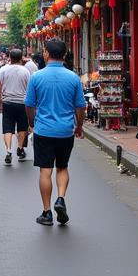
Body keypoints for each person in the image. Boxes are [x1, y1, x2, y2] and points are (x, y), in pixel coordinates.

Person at [25, 37, 85, 227]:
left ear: (46, 54)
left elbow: (29, 105)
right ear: (65, 55)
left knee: (45, 171)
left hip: (43, 129)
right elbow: (80, 107)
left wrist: (31, 123)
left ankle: (47, 212)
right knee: (62, 167)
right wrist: (79, 126)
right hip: (65, 131)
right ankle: (61, 198)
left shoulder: (36, 77)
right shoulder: (73, 78)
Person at [0, 48, 31, 164]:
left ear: (9, 57)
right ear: (21, 58)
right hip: (22, 103)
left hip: (8, 102)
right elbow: (29, 89)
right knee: (22, 126)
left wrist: (0, 102)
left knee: (7, 127)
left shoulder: (3, 70)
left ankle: (8, 150)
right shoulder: (26, 71)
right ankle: (20, 148)